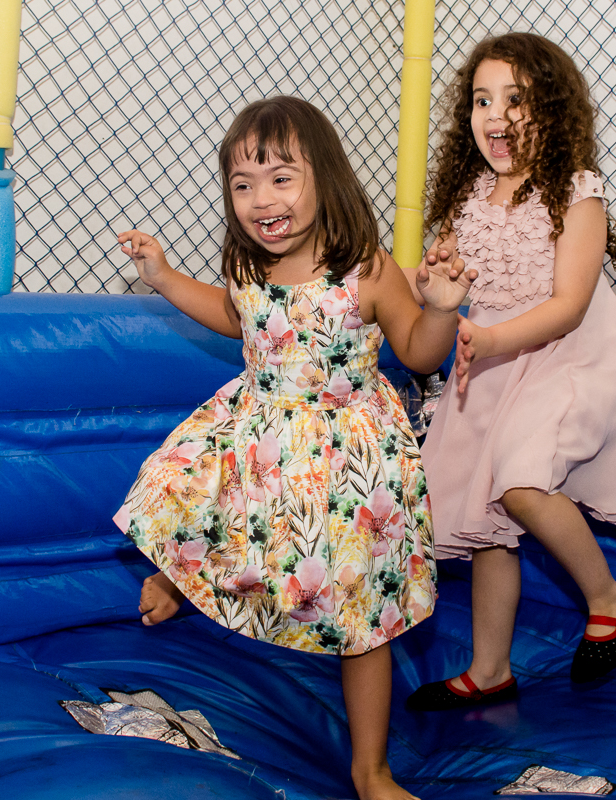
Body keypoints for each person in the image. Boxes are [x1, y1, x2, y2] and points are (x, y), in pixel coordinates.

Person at [112, 96, 475, 800]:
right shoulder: (251, 270)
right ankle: (182, 577)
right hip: (261, 441)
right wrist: (161, 276)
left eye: (281, 177)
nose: (259, 198)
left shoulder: (365, 269)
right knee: (178, 488)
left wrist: (439, 306)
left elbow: (420, 352)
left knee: (359, 616)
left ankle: (370, 772)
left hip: (346, 464)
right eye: (242, 184)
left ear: (325, 177)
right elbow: (229, 314)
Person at [404, 32, 616, 712]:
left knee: (518, 481)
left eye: (515, 99)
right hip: (494, 363)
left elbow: (568, 307)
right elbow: (445, 284)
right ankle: (489, 671)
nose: (495, 115)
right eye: (482, 100)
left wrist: (489, 336)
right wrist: (436, 284)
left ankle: (607, 596)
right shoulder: (469, 195)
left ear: (554, 112)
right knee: (488, 519)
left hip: (571, 359)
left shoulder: (577, 193)